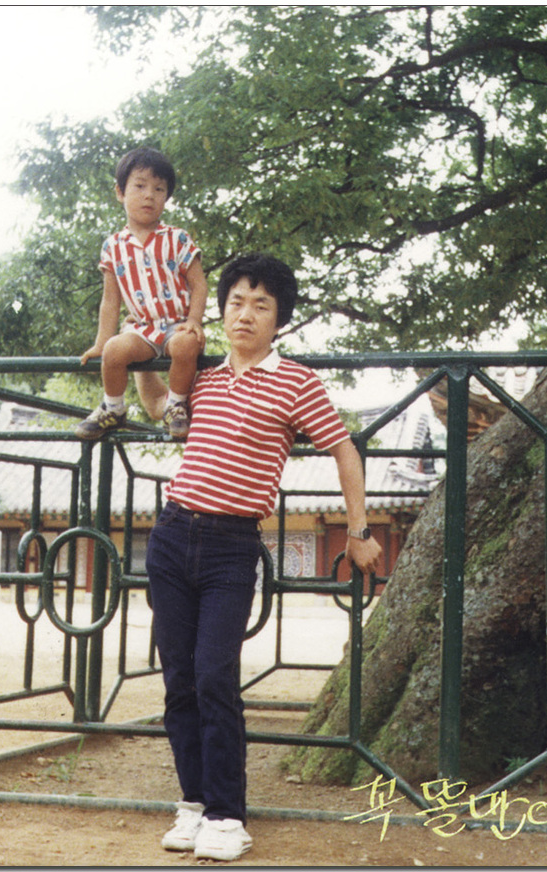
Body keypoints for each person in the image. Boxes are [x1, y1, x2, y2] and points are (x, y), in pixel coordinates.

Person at [145, 253, 382, 862]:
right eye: (235, 303)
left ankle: (228, 815)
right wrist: (144, 354)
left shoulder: (296, 382)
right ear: (221, 312)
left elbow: (344, 451)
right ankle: (194, 804)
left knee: (213, 675)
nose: (245, 315)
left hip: (231, 546)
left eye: (261, 305)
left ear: (279, 319)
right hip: (172, 534)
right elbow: (158, 409)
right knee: (177, 680)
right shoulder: (202, 377)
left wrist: (358, 530)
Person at [77, 147, 207, 440]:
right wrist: (101, 342)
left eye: (159, 189)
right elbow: (111, 300)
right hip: (142, 329)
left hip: (177, 324)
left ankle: (176, 405)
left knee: (186, 345)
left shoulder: (177, 238)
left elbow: (199, 285)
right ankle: (113, 408)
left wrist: (194, 321)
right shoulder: (113, 246)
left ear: (166, 197)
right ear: (120, 192)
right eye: (139, 186)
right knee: (114, 350)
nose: (149, 195)